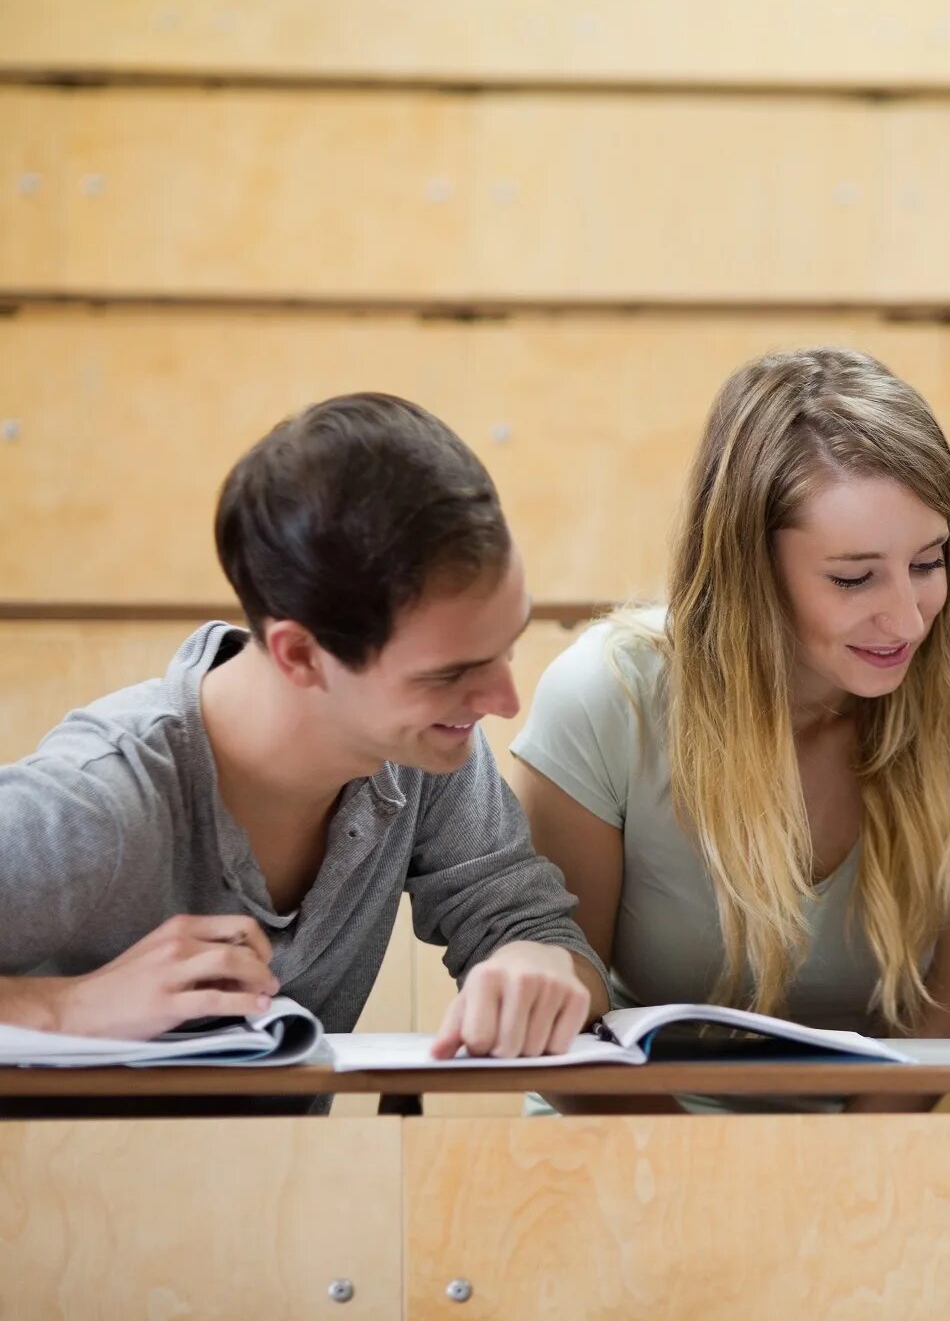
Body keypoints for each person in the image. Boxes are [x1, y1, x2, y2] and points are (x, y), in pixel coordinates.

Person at [0, 393, 607, 1104]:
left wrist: (540, 964)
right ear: (298, 654)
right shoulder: (97, 800)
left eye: (507, 645)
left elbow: (537, 930)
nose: (505, 700)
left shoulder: (422, 755)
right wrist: (63, 1010)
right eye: (449, 673)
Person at [512, 347, 950, 1112]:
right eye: (853, 577)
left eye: (930, 562)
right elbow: (568, 1026)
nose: (907, 619)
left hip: (861, 1162)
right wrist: (722, 1193)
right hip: (624, 1145)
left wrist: (837, 1192)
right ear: (748, 568)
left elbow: (948, 1005)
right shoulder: (603, 697)